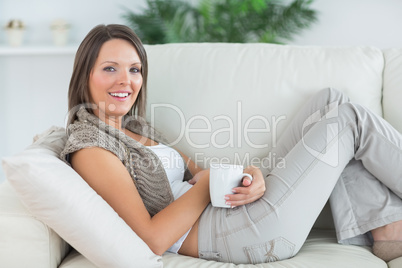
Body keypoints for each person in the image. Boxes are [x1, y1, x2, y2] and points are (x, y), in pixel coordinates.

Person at [61, 24, 402, 264]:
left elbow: (202, 174)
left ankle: (387, 229)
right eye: (110, 68)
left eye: (134, 69)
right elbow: (151, 239)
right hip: (233, 235)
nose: (126, 81)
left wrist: (251, 176)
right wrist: (208, 184)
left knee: (331, 101)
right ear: (84, 75)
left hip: (235, 211)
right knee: (349, 119)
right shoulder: (90, 147)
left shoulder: (135, 128)